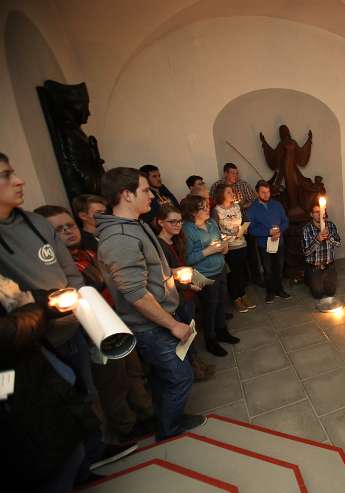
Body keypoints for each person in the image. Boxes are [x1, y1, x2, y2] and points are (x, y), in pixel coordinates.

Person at [35, 204, 158, 444]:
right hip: (95, 330)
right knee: (112, 381)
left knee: (133, 370)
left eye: (69, 225)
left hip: (116, 318)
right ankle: (125, 425)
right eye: (59, 230)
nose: (69, 231)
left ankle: (146, 413)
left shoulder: (89, 252)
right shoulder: (57, 269)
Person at [96, 167, 203, 440]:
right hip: (151, 325)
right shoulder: (120, 237)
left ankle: (166, 418)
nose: (151, 196)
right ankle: (169, 429)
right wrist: (173, 324)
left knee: (165, 377)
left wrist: (173, 280)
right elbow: (135, 293)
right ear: (126, 195)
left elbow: (151, 272)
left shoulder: (137, 224)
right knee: (180, 377)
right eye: (145, 190)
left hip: (162, 314)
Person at [0, 152, 96, 402]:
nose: (20, 181)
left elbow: (70, 270)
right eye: (5, 176)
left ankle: (101, 439)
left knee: (87, 391)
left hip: (72, 326)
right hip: (33, 341)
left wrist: (80, 310)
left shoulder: (36, 222)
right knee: (53, 403)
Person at [0, 283, 104, 490]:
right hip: (13, 392)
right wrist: (42, 307)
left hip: (32, 375)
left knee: (70, 449)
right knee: (50, 463)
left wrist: (51, 296)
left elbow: (19, 298)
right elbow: (8, 333)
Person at [155, 204, 216, 380]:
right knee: (185, 333)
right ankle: (193, 369)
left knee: (191, 328)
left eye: (180, 221)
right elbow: (167, 276)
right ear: (160, 222)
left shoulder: (175, 240)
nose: (177, 225)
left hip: (188, 292)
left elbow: (183, 267)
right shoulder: (160, 246)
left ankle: (196, 364)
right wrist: (189, 286)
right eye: (172, 221)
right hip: (178, 296)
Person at [181, 194, 239, 356]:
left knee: (222, 302)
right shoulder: (187, 230)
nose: (208, 209)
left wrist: (224, 246)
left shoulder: (212, 222)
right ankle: (211, 339)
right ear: (193, 212)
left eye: (207, 206)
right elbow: (187, 258)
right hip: (205, 275)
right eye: (203, 207)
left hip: (220, 269)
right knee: (210, 307)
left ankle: (222, 331)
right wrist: (208, 251)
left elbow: (220, 240)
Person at [212, 183, 255, 312]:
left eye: (232, 192)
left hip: (241, 243)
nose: (232, 194)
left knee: (242, 271)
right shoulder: (217, 210)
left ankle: (243, 295)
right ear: (222, 195)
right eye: (229, 192)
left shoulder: (237, 207)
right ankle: (236, 298)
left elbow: (244, 222)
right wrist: (227, 236)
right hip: (229, 247)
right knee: (233, 274)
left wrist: (243, 229)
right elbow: (215, 230)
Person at [247, 181, 291, 302]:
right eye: (263, 192)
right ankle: (270, 291)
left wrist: (279, 231)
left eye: (268, 192)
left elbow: (285, 221)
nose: (266, 195)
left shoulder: (277, 205)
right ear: (257, 193)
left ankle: (279, 288)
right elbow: (252, 229)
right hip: (264, 243)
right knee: (268, 269)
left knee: (279, 266)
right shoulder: (252, 209)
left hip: (279, 241)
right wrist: (268, 232)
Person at [303, 202, 341, 299]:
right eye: (316, 212)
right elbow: (306, 252)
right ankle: (308, 277)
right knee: (318, 294)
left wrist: (329, 237)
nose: (320, 214)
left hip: (329, 265)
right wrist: (317, 239)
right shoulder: (306, 229)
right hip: (315, 266)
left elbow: (339, 244)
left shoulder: (331, 225)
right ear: (311, 214)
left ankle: (322, 279)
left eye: (322, 211)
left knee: (331, 292)